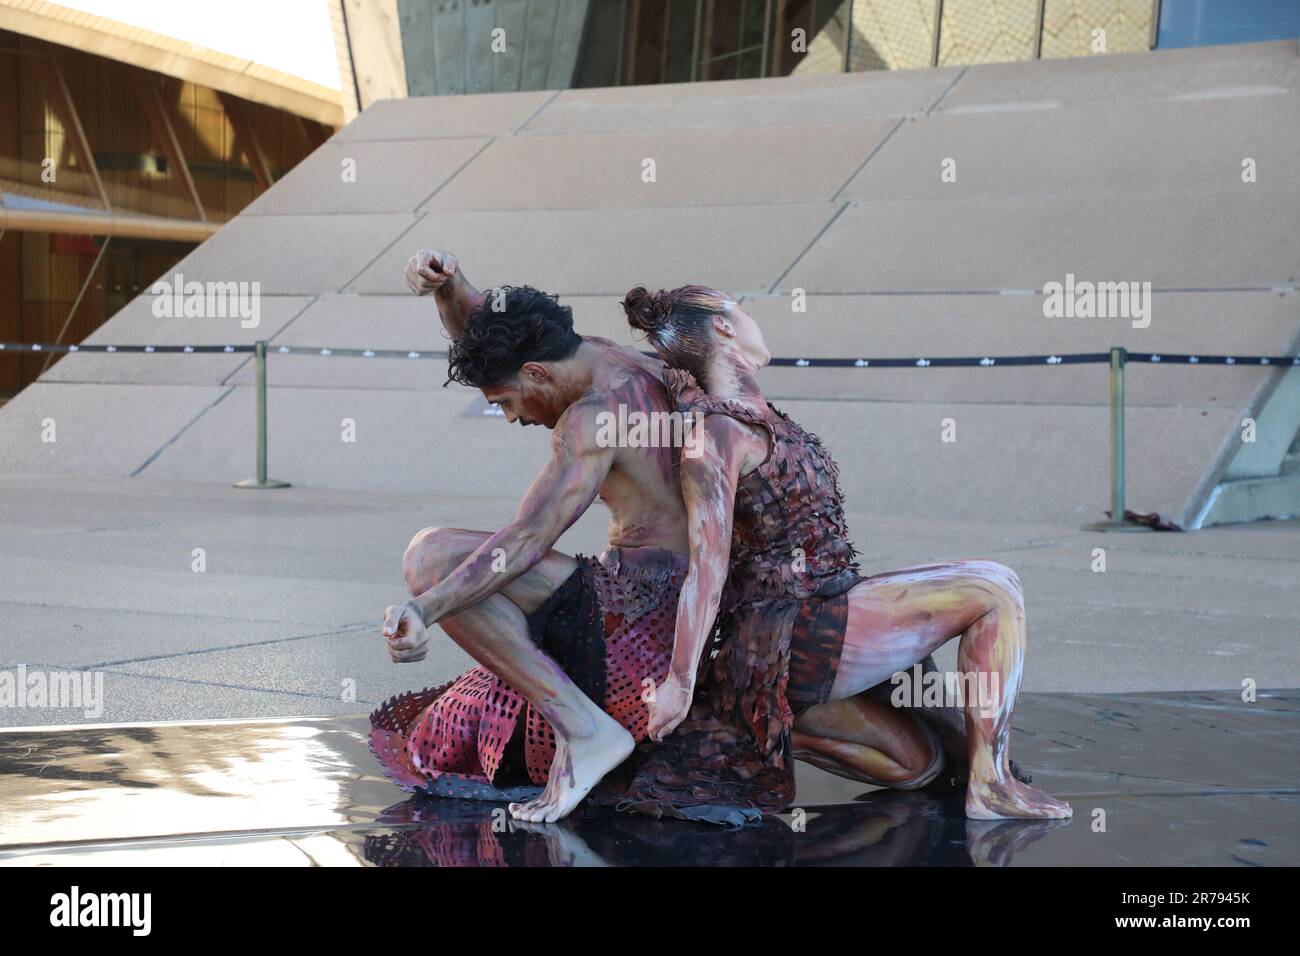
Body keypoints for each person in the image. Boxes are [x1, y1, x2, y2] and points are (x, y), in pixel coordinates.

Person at [622, 285, 1072, 820]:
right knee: (994, 586)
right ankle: (991, 786)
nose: (752, 319)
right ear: (722, 327)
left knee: (920, 766)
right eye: (742, 310)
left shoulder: (755, 413)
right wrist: (680, 679)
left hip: (824, 611)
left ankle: (758, 730)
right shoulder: (716, 434)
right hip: (797, 631)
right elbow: (708, 566)